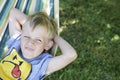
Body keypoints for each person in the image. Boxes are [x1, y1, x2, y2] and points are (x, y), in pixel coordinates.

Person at [0, 8, 77, 80]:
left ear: (47, 45)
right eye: (27, 36)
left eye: (38, 40)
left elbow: (71, 55)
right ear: (22, 34)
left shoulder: (43, 64)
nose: (30, 42)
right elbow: (13, 12)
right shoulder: (17, 41)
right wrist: (32, 25)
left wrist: (54, 36)